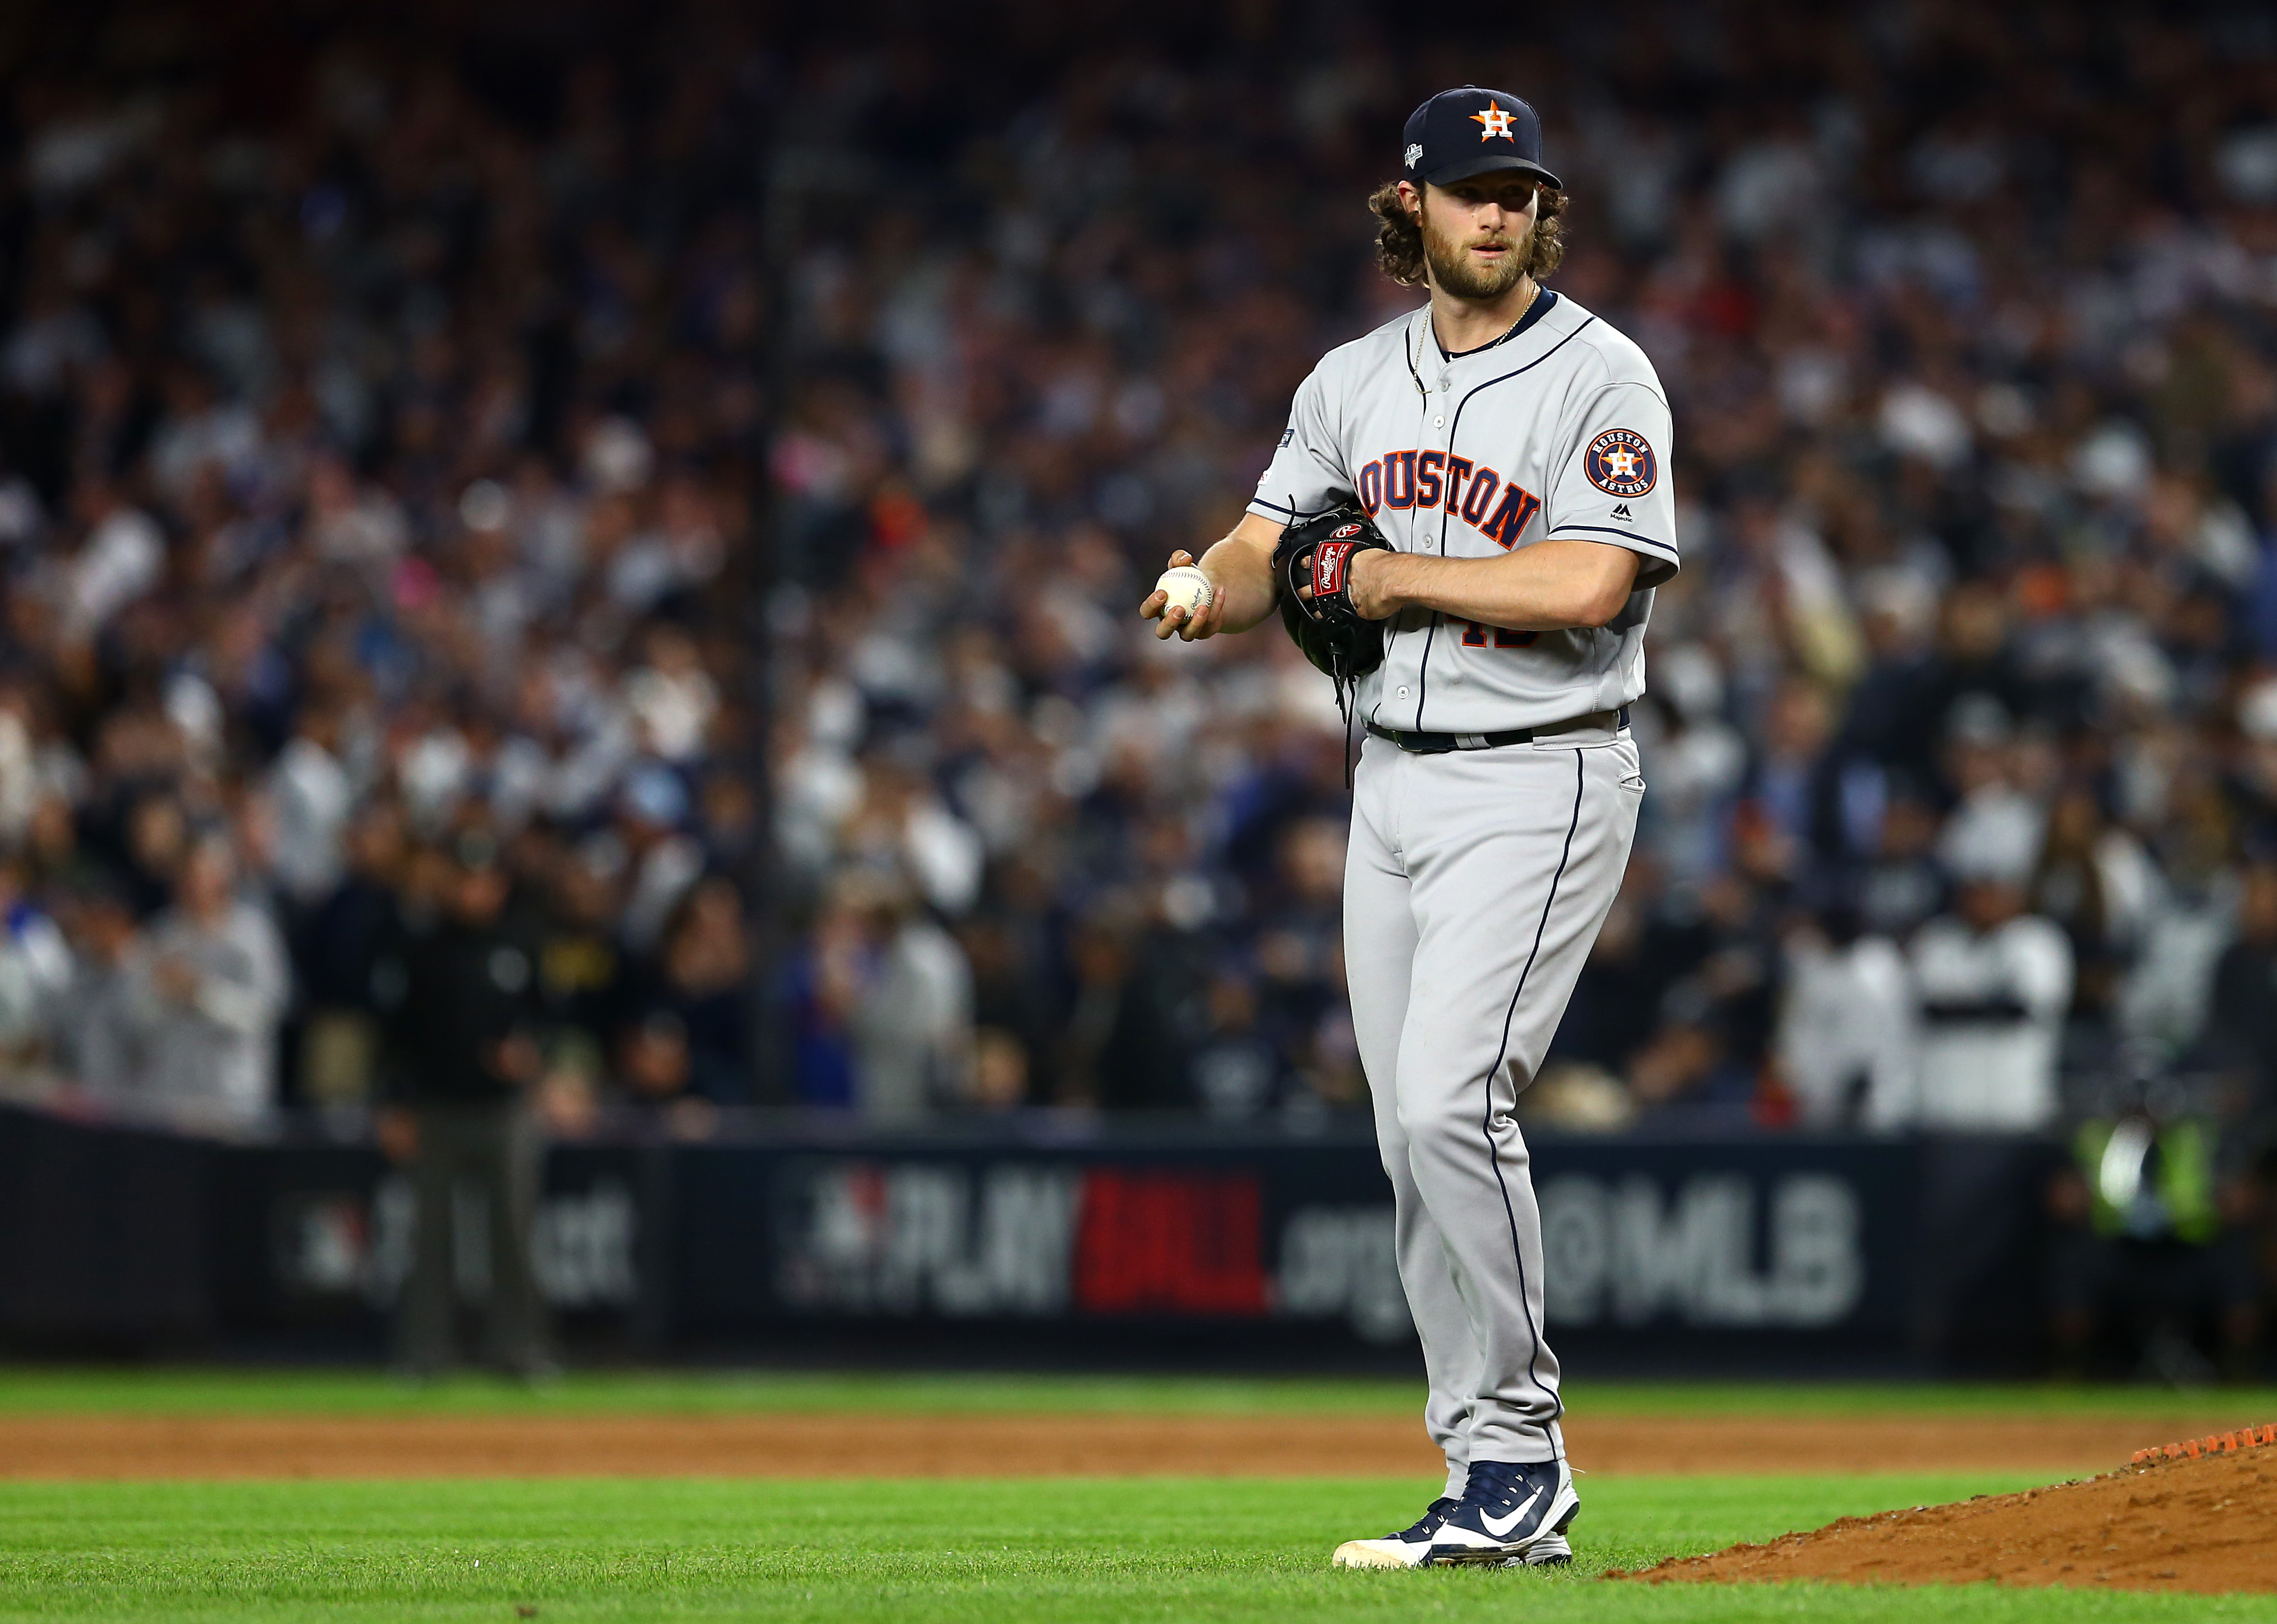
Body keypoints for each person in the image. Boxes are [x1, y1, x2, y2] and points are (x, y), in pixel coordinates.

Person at [1141, 87, 1674, 1568]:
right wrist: (1209, 586)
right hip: (1388, 778)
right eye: (1468, 189)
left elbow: (1589, 585)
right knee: (1403, 1132)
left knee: (1451, 1099)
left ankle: (1520, 1446)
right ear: (1411, 208)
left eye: (1517, 190)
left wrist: (1396, 582)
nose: (1495, 211)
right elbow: (1267, 548)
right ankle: (1477, 1473)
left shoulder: (1600, 374)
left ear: (1538, 211)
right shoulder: (1347, 383)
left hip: (1541, 768)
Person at [373, 829, 552, 1378]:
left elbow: (550, 1022)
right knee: (432, 1239)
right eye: (467, 880)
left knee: (514, 1237)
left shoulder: (520, 943)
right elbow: (397, 1038)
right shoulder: (422, 948)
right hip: (438, 1109)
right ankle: (426, 1353)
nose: (476, 892)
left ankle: (520, 1350)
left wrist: (531, 1056)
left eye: (485, 880)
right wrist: (396, 1105)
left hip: (504, 1111)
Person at [132, 832, 289, 1133]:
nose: (193, 886)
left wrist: (201, 993)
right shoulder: (162, 935)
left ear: (222, 878)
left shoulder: (252, 935)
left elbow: (264, 1014)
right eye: (185, 876)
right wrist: (161, 992)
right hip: (170, 1097)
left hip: (232, 1095)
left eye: (201, 876)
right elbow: (137, 1018)